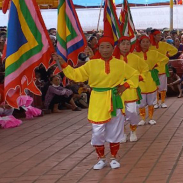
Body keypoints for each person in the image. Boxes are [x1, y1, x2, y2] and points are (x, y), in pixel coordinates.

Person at [52, 38, 139, 170]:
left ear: (113, 48)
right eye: (102, 47)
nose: (105, 50)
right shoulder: (91, 64)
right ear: (98, 48)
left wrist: (124, 86)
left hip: (114, 99)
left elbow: (134, 74)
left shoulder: (120, 64)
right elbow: (76, 75)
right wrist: (63, 63)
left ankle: (114, 157)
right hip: (97, 100)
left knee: (115, 129)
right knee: (98, 131)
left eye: (108, 47)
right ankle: (101, 158)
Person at [114, 36, 149, 143]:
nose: (125, 46)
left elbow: (145, 69)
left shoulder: (135, 58)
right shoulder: (113, 58)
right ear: (118, 46)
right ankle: (123, 133)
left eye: (128, 44)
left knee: (132, 112)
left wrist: (140, 77)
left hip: (131, 90)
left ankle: (133, 130)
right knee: (119, 113)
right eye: (123, 44)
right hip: (117, 90)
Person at [132, 35, 170, 126]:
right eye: (143, 42)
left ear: (150, 43)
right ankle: (142, 118)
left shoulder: (154, 53)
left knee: (151, 100)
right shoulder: (135, 54)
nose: (145, 44)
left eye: (147, 42)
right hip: (140, 78)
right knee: (141, 102)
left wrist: (157, 64)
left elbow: (165, 59)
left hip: (151, 78)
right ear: (140, 43)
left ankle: (151, 118)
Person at [150, 30, 178, 108]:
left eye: (160, 35)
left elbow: (175, 50)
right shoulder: (149, 45)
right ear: (153, 36)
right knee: (154, 86)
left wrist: (168, 55)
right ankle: (155, 101)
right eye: (158, 35)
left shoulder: (164, 44)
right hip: (153, 68)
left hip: (162, 68)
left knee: (162, 86)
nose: (160, 36)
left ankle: (162, 101)